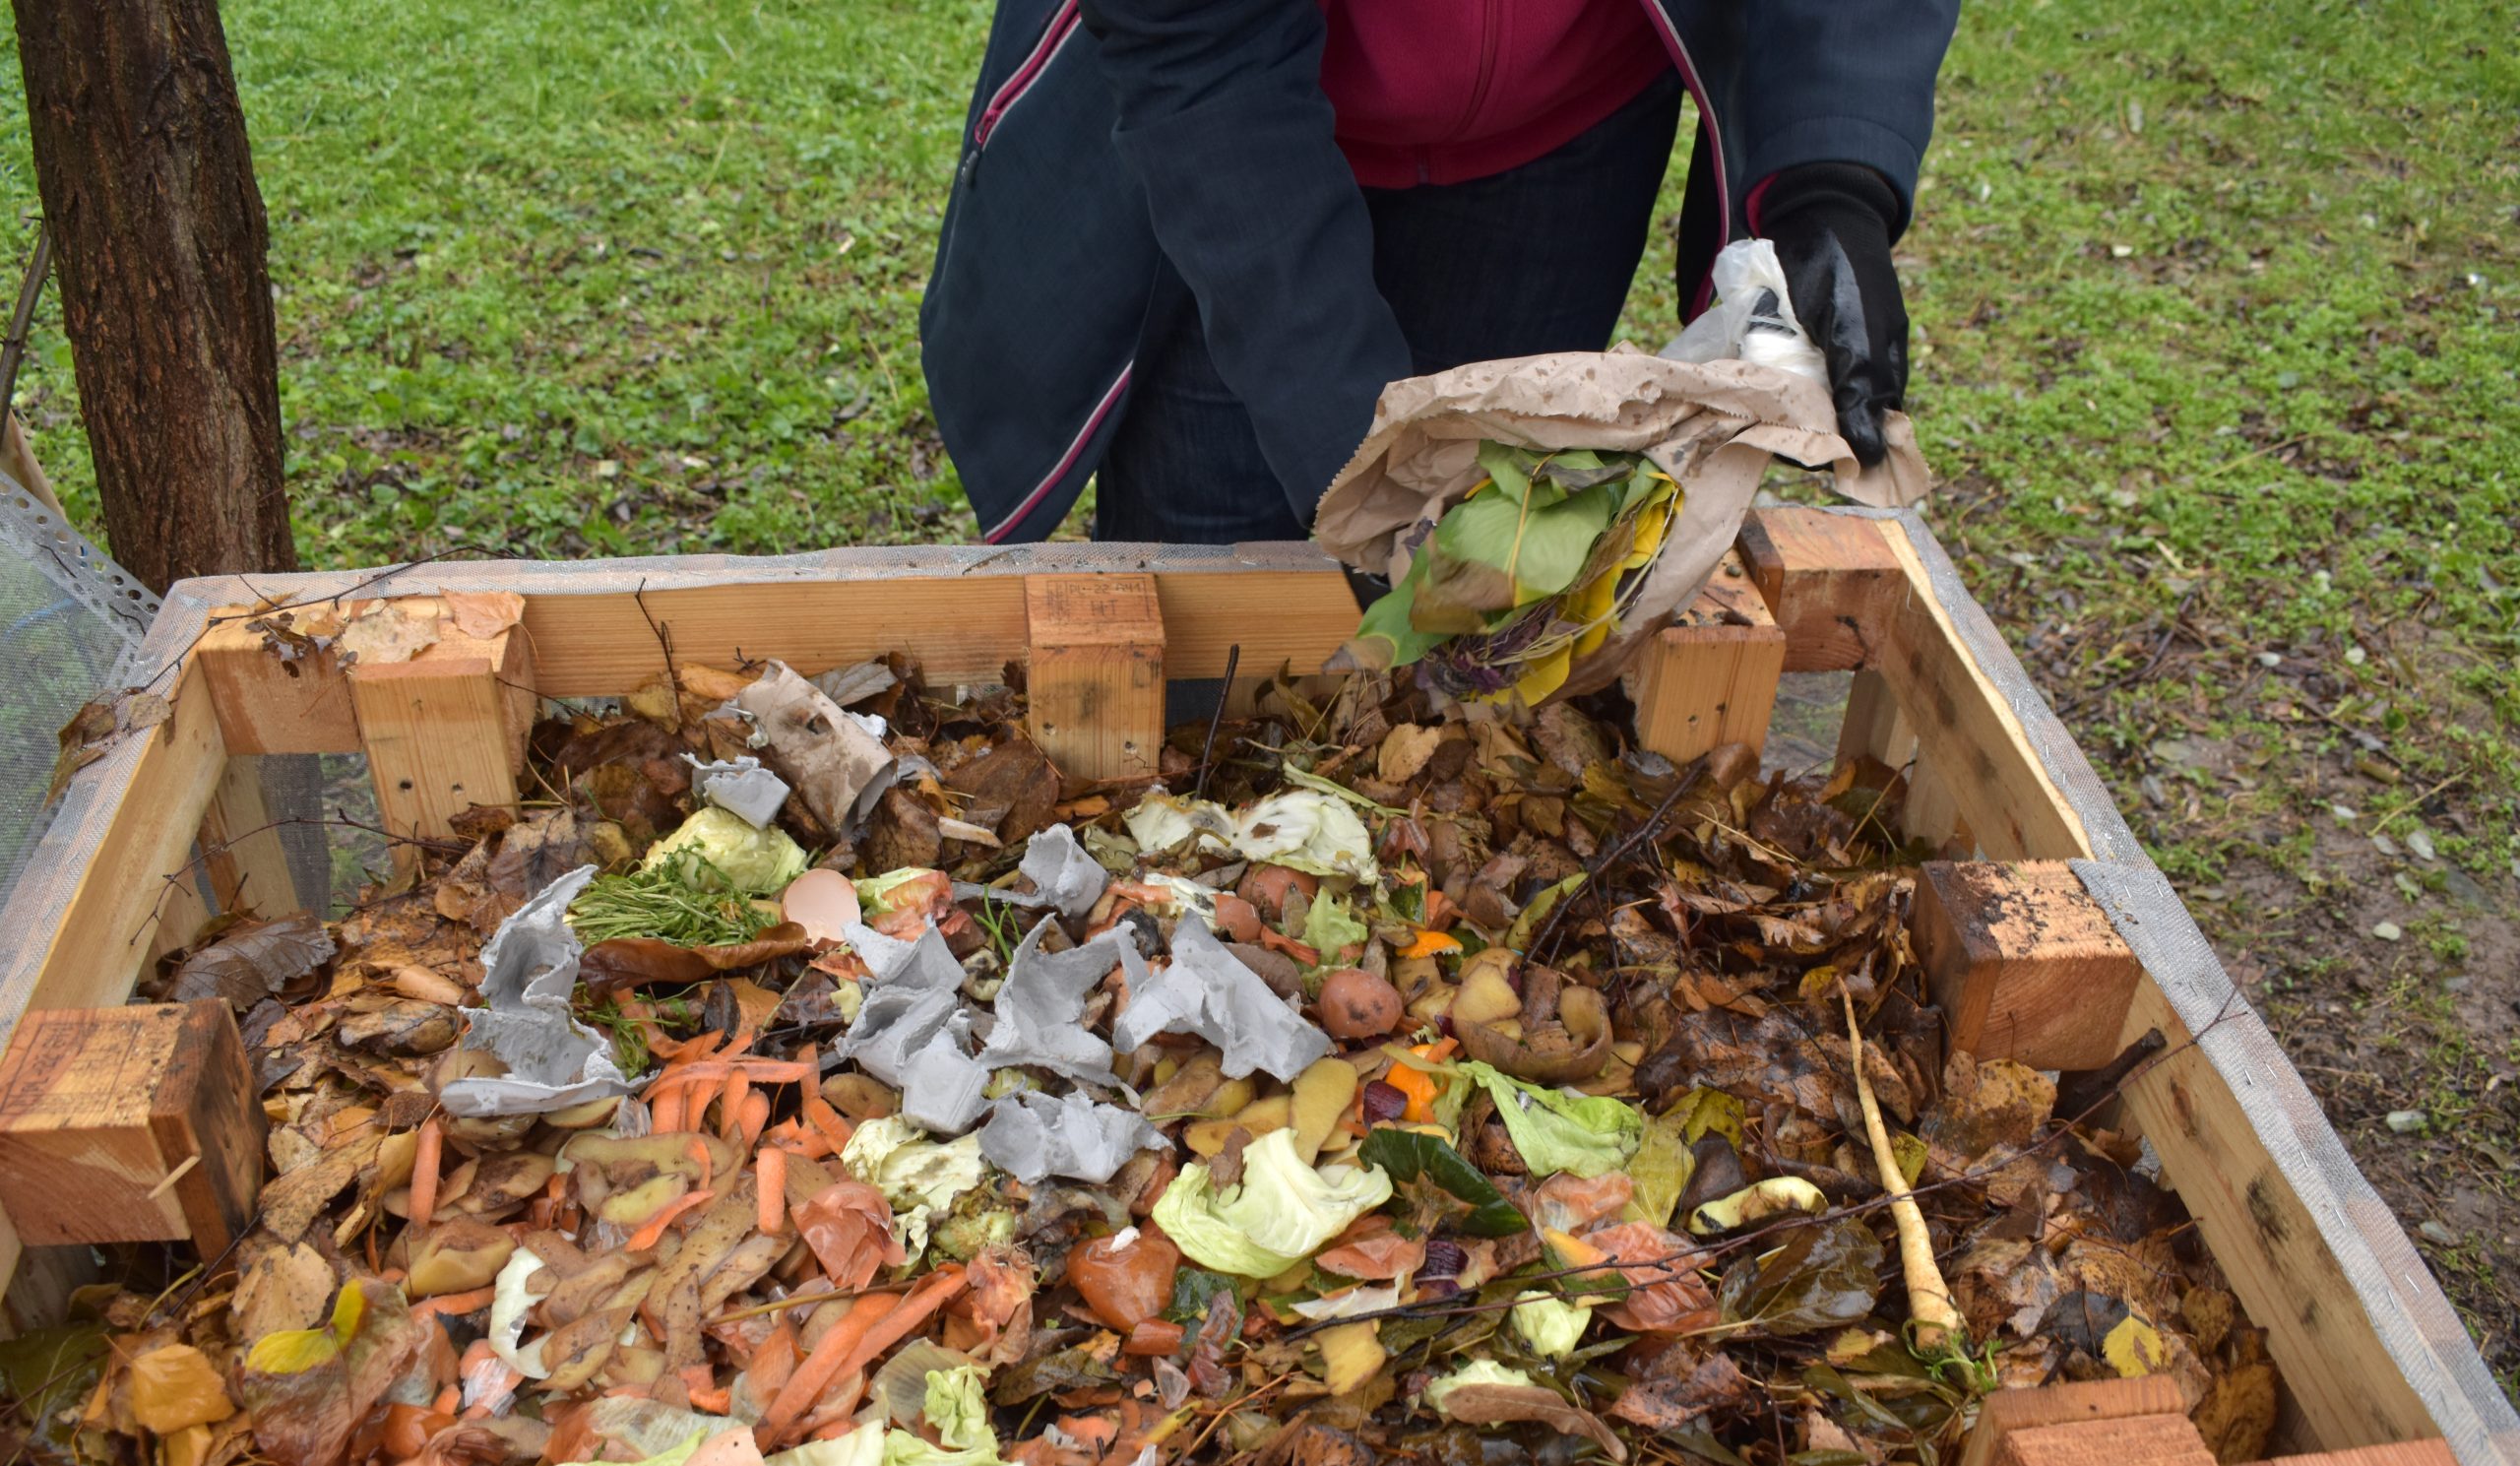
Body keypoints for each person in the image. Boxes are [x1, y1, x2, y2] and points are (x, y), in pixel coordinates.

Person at [920, 0, 1960, 546]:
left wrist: (1832, 175)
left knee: (1485, 566)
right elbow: (1201, 53)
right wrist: (1352, 442)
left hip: (1562, 135)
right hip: (1237, 142)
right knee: (1228, 572)